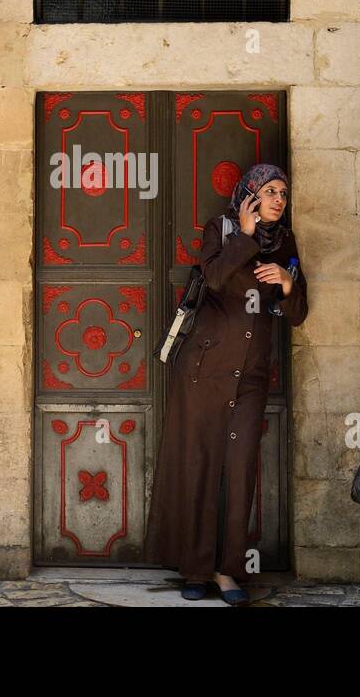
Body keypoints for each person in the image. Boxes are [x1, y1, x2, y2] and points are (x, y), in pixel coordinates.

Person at [144, 163, 308, 605]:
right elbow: (213, 276)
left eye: (283, 194)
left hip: (251, 377)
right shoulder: (221, 228)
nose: (278, 200)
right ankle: (194, 569)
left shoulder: (286, 242)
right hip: (203, 371)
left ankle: (228, 571)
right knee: (197, 465)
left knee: (240, 469)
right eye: (270, 191)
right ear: (250, 194)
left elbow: (297, 314)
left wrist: (289, 284)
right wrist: (246, 236)